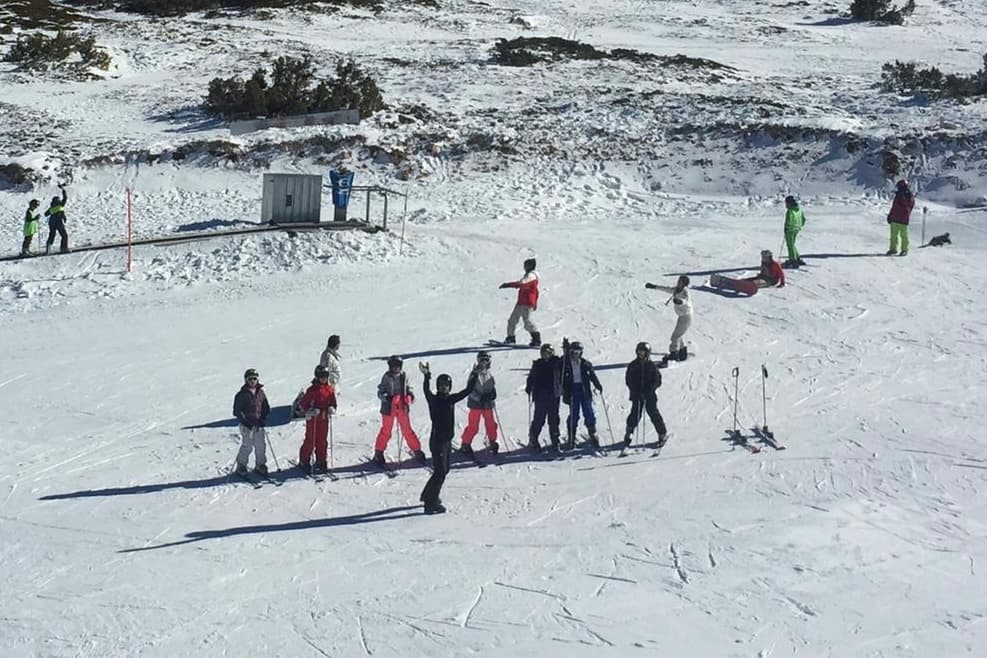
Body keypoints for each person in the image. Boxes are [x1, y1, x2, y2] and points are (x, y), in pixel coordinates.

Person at [418, 363, 473, 515]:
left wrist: (474, 374)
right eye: (441, 386)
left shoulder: (450, 399)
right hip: (437, 441)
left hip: (447, 441)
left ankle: (427, 494)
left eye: (446, 386)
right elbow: (425, 390)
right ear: (438, 387)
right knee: (440, 472)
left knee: (445, 470)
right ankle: (431, 503)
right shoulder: (434, 400)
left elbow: (467, 391)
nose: (444, 388)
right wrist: (426, 376)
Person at [374, 355, 426, 466]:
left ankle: (416, 449)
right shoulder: (387, 377)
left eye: (398, 366)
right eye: (394, 367)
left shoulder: (404, 375)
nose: (396, 369)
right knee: (386, 431)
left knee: (407, 429)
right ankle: (379, 452)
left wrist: (409, 396)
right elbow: (380, 391)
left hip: (402, 405)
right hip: (389, 407)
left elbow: (408, 388)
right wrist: (387, 397)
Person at [623, 342, 668, 448]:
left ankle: (662, 433)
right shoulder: (633, 365)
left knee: (653, 413)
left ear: (647, 353)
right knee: (635, 414)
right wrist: (635, 389)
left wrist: (650, 389)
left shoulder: (651, 366)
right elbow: (628, 379)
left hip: (649, 395)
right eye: (639, 352)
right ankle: (629, 432)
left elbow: (657, 380)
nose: (640, 354)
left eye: (643, 352)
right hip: (637, 395)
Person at [561, 339, 603, 450]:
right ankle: (571, 435)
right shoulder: (566, 363)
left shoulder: (585, 363)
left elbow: (592, 375)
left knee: (588, 411)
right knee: (574, 414)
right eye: (574, 352)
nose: (576, 354)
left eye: (578, 352)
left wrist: (598, 385)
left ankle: (592, 432)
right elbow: (560, 364)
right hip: (572, 390)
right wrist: (565, 352)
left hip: (584, 390)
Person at [298, 365, 338, 474]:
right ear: (316, 377)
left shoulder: (329, 389)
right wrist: (309, 412)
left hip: (324, 418)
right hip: (313, 419)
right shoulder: (311, 390)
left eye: (325, 376)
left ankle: (321, 460)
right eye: (321, 376)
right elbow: (303, 404)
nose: (324, 379)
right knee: (311, 439)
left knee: (322, 440)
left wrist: (332, 408)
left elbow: (333, 402)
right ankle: (304, 460)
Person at [232, 368, 271, 476]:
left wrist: (263, 419)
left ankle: (260, 465)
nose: (253, 381)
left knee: (261, 445)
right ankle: (241, 465)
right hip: (247, 425)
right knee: (247, 446)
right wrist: (245, 422)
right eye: (250, 379)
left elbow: (265, 407)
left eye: (255, 379)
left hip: (258, 424)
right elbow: (237, 411)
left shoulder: (260, 393)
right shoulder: (241, 395)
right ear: (246, 380)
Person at [525, 343, 563, 453]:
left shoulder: (556, 362)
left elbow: (564, 362)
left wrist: (566, 349)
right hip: (541, 395)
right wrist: (529, 387)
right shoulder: (538, 364)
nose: (547, 355)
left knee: (554, 418)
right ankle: (534, 437)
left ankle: (555, 439)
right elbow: (531, 376)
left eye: (549, 353)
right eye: (545, 353)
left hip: (553, 394)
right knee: (539, 418)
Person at [460, 351, 499, 458]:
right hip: (476, 404)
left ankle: (492, 441)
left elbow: (491, 385)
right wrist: (480, 398)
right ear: (478, 361)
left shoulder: (488, 373)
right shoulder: (474, 374)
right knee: (473, 426)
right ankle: (465, 443)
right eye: (482, 360)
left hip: (487, 404)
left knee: (491, 423)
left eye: (486, 360)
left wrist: (492, 394)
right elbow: (470, 390)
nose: (484, 362)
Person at [645, 275, 692, 363]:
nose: (678, 282)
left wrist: (680, 301)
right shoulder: (676, 290)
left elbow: (686, 301)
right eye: (678, 280)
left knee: (675, 336)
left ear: (684, 283)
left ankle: (674, 354)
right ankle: (682, 352)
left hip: (687, 316)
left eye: (680, 281)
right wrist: (654, 286)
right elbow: (666, 289)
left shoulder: (685, 291)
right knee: (679, 335)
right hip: (682, 316)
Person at [499, 257, 540, 347]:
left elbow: (522, 284)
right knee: (512, 320)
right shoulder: (529, 275)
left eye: (525, 265)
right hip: (522, 302)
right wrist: (535, 302)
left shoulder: (531, 276)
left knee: (527, 321)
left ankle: (536, 338)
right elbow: (536, 291)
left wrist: (508, 285)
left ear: (529, 266)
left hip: (526, 302)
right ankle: (511, 338)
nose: (524, 267)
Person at [887, 179, 915, 256]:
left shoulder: (908, 195)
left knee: (904, 236)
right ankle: (893, 249)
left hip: (903, 218)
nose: (898, 188)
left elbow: (909, 206)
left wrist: (902, 196)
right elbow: (894, 207)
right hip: (895, 218)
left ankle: (904, 250)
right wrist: (890, 215)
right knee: (893, 236)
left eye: (899, 186)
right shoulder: (898, 195)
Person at [782, 195, 806, 268]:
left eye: (786, 203)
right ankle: (796, 257)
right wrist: (800, 226)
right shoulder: (799, 210)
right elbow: (803, 219)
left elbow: (788, 220)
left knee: (790, 245)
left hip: (790, 230)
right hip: (796, 229)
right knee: (792, 244)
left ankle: (792, 260)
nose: (786, 205)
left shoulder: (790, 211)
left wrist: (786, 228)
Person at [44, 186, 69, 255]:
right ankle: (64, 248)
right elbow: (65, 198)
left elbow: (46, 214)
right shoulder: (60, 205)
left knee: (52, 235)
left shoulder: (52, 207)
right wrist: (63, 190)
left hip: (51, 222)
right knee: (64, 235)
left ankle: (48, 249)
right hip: (58, 222)